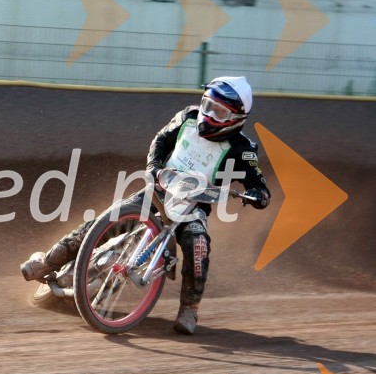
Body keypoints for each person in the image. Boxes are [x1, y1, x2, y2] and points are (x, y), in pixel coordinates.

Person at [20, 76, 270, 334]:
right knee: (105, 221)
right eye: (207, 105)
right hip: (159, 191)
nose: (208, 114)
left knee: (198, 247)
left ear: (236, 117)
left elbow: (260, 184)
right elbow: (161, 139)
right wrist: (154, 166)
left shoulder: (244, 148)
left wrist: (257, 194)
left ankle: (189, 309)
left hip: (193, 208)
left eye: (218, 111)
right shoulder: (188, 117)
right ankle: (48, 261)